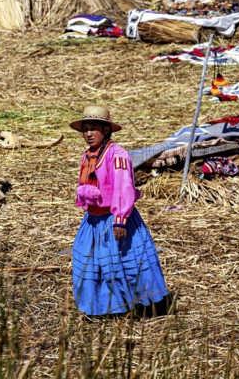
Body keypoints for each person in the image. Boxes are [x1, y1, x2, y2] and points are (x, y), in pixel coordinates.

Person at [70, 105, 169, 317]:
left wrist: (120, 220)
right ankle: (102, 307)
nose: (88, 134)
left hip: (114, 219)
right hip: (93, 220)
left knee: (124, 263)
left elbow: (124, 188)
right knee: (93, 264)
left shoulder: (118, 155)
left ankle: (137, 307)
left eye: (93, 128)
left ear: (106, 130)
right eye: (85, 129)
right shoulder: (87, 155)